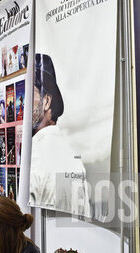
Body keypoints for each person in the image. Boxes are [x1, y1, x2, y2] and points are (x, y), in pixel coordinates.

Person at [30, 53, 91, 215]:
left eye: (28, 94)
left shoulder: (36, 155)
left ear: (46, 102)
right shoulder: (72, 156)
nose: (19, 104)